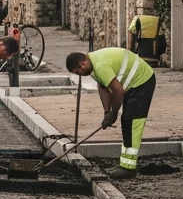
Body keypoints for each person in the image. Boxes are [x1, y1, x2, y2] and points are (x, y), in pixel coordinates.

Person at [66, 48, 156, 179]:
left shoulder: (100, 66)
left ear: (82, 64)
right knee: (126, 121)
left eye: (78, 72)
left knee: (132, 123)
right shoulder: (93, 64)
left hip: (142, 81)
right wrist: (107, 112)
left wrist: (114, 113)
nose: (80, 75)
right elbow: (103, 86)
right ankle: (125, 164)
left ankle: (129, 168)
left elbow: (118, 91)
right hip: (133, 84)